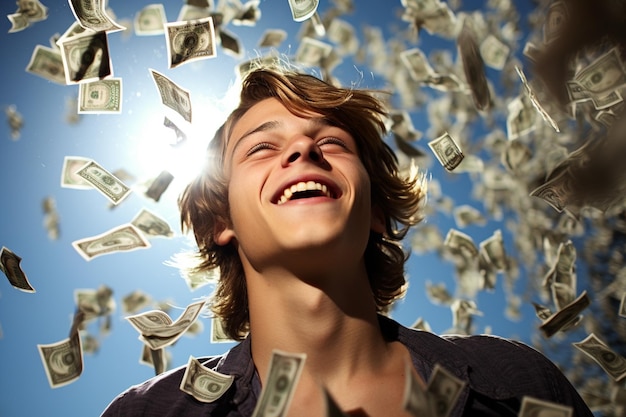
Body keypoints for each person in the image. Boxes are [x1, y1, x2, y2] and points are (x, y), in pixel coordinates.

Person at [101, 66, 593, 417]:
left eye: (332, 142)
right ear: (220, 220)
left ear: (377, 211)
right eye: (262, 147)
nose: (302, 147)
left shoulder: (518, 380)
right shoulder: (147, 413)